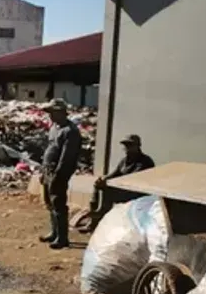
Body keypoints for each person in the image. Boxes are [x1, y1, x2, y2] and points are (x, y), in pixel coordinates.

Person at [39, 98, 81, 249]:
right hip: (48, 169)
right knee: (50, 203)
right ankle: (54, 232)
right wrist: (43, 171)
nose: (50, 115)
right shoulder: (54, 128)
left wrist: (59, 174)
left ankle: (62, 238)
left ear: (61, 112)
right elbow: (49, 149)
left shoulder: (70, 131)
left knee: (58, 204)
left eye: (52, 112)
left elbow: (67, 157)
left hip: (59, 172)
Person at [86, 134, 155, 223]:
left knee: (108, 190)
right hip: (123, 189)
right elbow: (115, 173)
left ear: (138, 146)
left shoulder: (144, 161)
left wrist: (109, 183)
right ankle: (93, 220)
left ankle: (102, 212)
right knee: (98, 185)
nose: (127, 148)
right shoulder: (124, 160)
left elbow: (133, 179)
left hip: (137, 193)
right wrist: (103, 179)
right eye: (125, 145)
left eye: (130, 145)